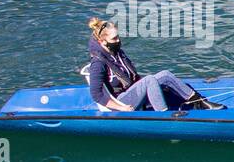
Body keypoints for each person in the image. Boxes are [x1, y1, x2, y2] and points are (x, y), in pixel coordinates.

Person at [86, 18, 224, 111]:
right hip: (122, 101)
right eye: (114, 38)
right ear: (102, 42)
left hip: (131, 91)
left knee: (165, 75)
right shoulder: (98, 63)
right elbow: (97, 95)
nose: (118, 40)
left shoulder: (115, 52)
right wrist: (122, 108)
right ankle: (163, 116)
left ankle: (199, 102)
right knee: (149, 80)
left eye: (118, 36)